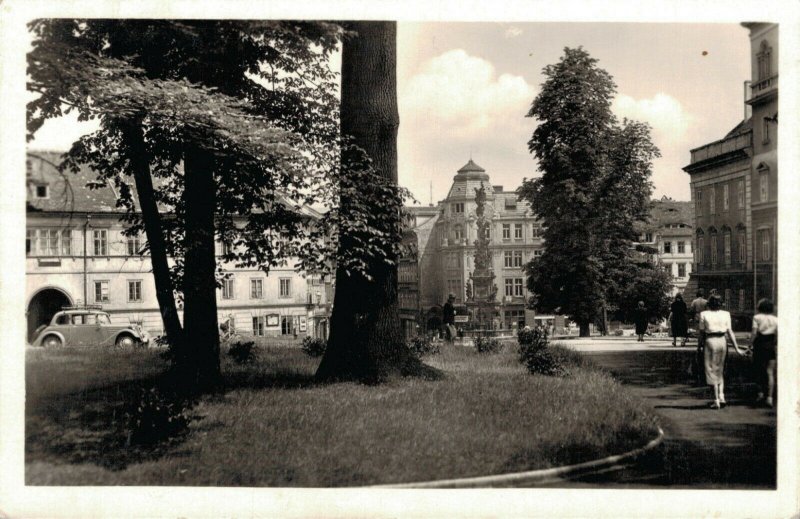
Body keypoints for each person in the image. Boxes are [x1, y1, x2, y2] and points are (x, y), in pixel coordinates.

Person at [698, 294, 748, 409]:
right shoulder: (726, 314)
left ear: (709, 303)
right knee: (720, 369)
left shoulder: (704, 314)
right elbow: (730, 332)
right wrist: (737, 348)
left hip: (710, 341)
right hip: (722, 341)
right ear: (721, 303)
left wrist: (699, 347)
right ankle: (722, 396)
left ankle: (716, 400)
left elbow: (701, 334)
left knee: (711, 370)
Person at [751, 298, 778, 407]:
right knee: (770, 372)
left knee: (758, 370)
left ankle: (760, 393)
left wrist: (750, 344)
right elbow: (778, 334)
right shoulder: (776, 319)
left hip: (759, 344)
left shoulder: (757, 317)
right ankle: (770, 398)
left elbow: (754, 333)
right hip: (770, 344)